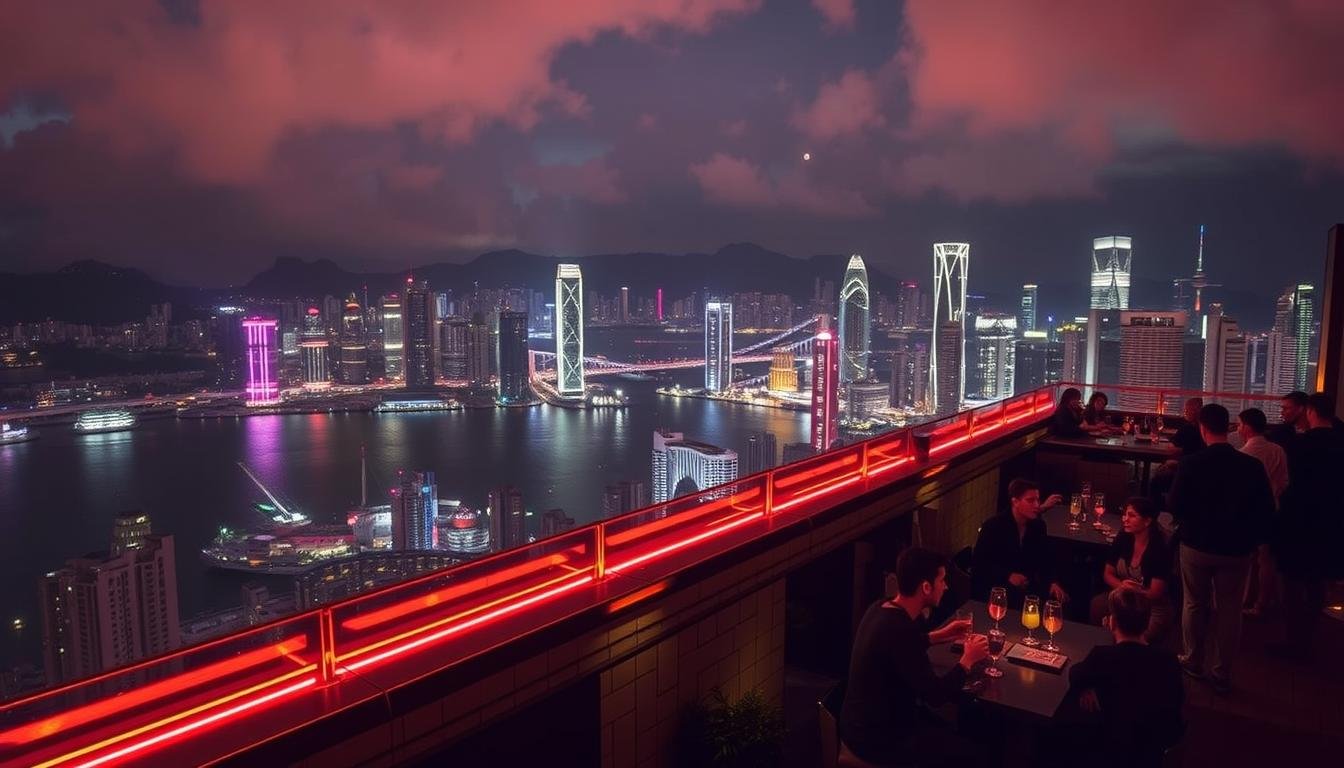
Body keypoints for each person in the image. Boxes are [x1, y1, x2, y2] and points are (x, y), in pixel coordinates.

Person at [839, 547, 989, 767]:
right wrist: (967, 660)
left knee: (949, 733)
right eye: (942, 580)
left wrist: (938, 636)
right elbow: (936, 695)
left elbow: (899, 648)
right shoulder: (901, 630)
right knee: (973, 754)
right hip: (878, 740)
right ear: (926, 587)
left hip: (858, 725)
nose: (946, 586)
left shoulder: (881, 607)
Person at [1168, 404, 1275, 694]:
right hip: (1237, 548)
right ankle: (1222, 672)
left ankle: (1193, 661)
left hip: (1197, 544)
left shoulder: (1191, 463)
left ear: (1202, 428)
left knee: (1194, 603)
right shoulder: (1251, 466)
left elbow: (1174, 505)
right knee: (1229, 610)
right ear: (1228, 428)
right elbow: (1266, 509)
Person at [1069, 589, 1184, 767]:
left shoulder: (1102, 657)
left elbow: (1074, 674)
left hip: (1109, 750)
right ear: (1147, 624)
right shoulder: (1169, 661)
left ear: (1112, 621)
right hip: (1152, 751)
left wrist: (1088, 688)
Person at [1273, 393, 1344, 661]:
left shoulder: (1302, 446)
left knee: (1291, 582)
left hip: (1300, 522)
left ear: (1310, 411)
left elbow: (1293, 486)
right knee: (1316, 582)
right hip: (1331, 522)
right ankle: (1309, 636)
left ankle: (1294, 641)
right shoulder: (1341, 440)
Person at [971, 478, 1068, 608]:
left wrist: (1052, 581)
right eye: (1030, 500)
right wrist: (1008, 575)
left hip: (1028, 586)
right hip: (998, 587)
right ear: (1015, 502)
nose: (1036, 505)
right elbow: (980, 563)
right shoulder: (993, 526)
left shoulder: (1038, 526)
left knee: (1058, 602)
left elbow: (1045, 558)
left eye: (1037, 500)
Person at [1090, 498, 1173, 643]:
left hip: (1150, 607)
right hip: (1124, 599)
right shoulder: (1123, 537)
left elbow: (1155, 593)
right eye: (1125, 514)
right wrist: (1122, 586)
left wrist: (1132, 591)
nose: (1125, 519)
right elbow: (1107, 574)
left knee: (1132, 639)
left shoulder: (1160, 548)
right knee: (1098, 604)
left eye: (1132, 515)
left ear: (1147, 521)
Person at [1237, 407, 1289, 617]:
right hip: (1272, 509)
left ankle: (1244, 600)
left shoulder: (1243, 455)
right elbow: (1285, 482)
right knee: (1266, 558)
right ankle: (1263, 602)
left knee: (1245, 558)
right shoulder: (1277, 450)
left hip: (1248, 512)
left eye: (1240, 424)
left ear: (1247, 427)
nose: (1238, 428)